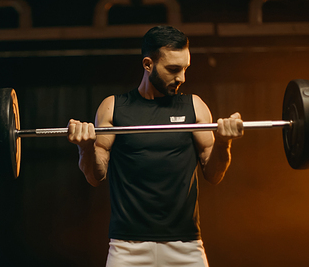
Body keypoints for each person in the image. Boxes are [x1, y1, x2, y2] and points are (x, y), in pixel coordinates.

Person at [67, 25, 244, 267]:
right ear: (148, 64)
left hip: (186, 246)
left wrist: (224, 143)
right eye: (173, 69)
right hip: (126, 248)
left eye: (184, 69)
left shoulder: (195, 106)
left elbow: (213, 175)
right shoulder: (114, 108)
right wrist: (85, 148)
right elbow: (95, 176)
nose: (181, 78)